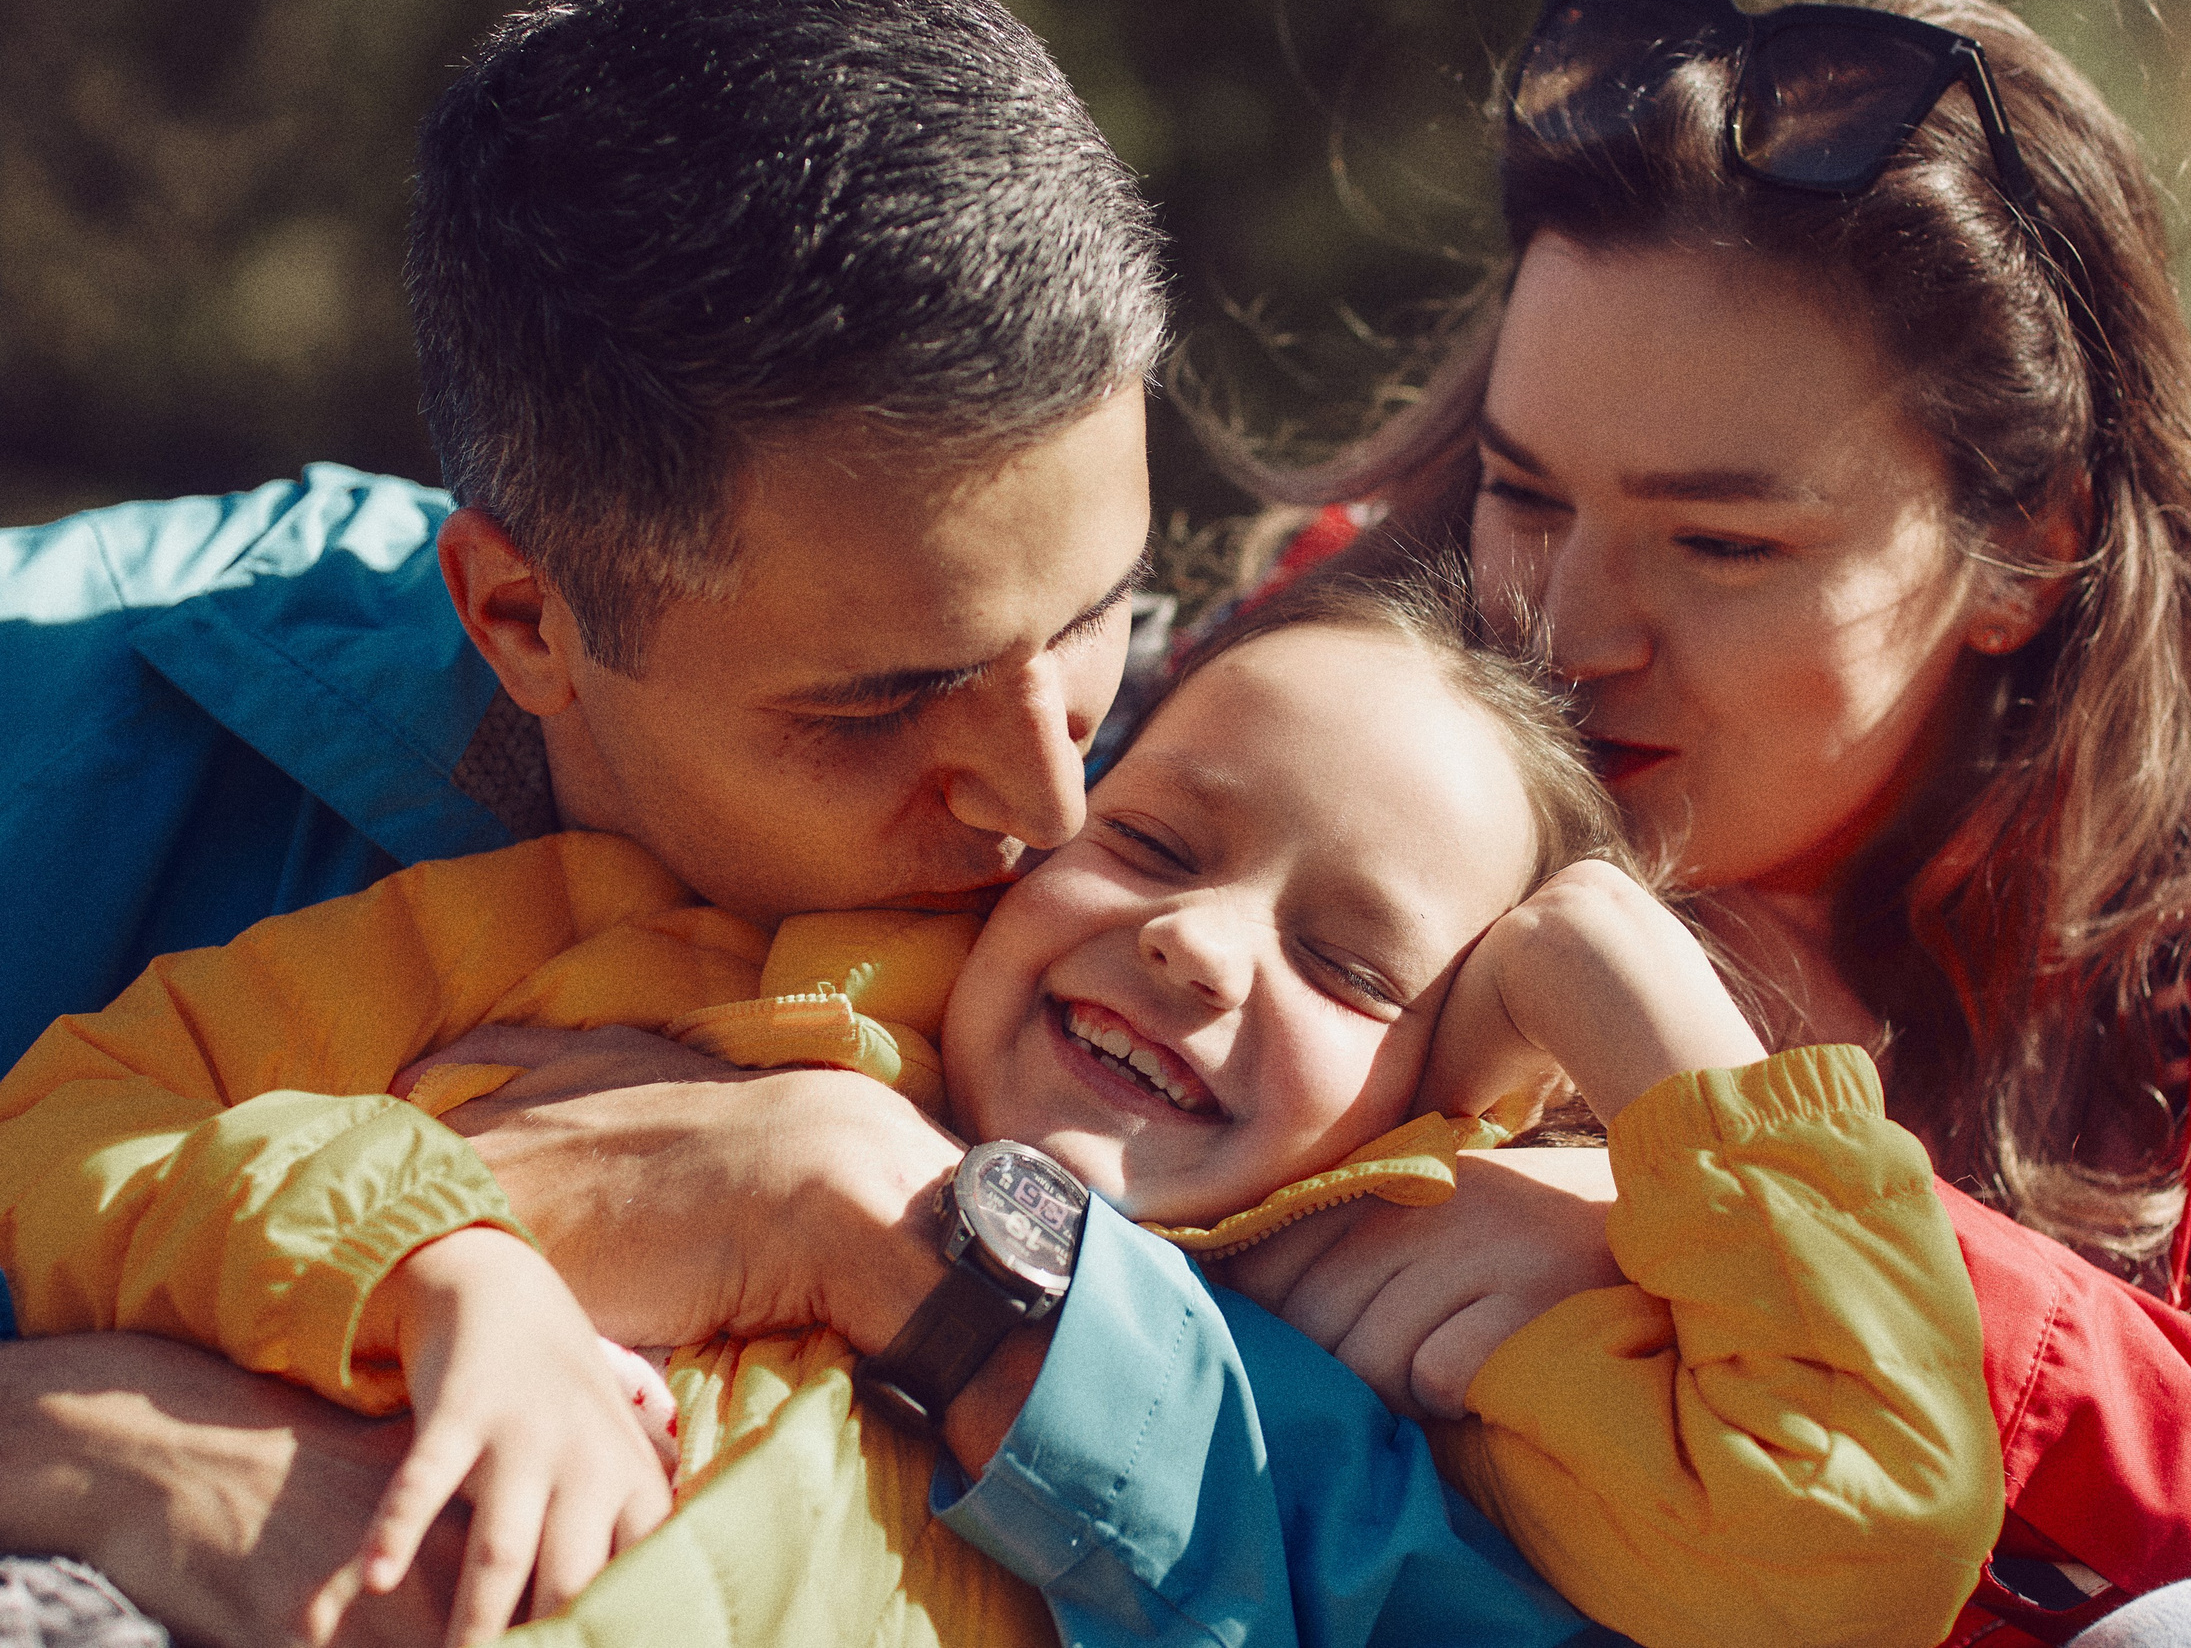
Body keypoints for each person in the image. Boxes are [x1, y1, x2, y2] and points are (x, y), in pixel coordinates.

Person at [0, 0, 1588, 1647]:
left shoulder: (1210, 871)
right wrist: (91, 1440)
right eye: (883, 703)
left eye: (1094, 624)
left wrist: (883, 1234)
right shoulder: (51, 716)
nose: (1049, 794)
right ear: (523, 619)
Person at [1221, 0, 2191, 1648]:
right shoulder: (1325, 694)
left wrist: (1769, 1234)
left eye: (1722, 545)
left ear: (2030, 551)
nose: (1563, 632)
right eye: (1523, 493)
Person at [3, 572, 2003, 1648]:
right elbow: (78, 1117)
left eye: (1348, 963)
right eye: (1149, 840)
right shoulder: (646, 948)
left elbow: (1850, 1537)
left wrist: (1621, 984)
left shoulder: (1376, 1331)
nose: (1197, 949)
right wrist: (440, 1259)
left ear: (1444, 1096)